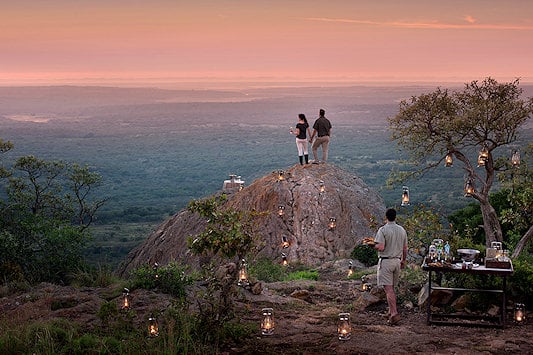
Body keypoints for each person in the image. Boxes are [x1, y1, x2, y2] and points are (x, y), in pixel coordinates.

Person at [373, 208, 408, 326]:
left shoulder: (383, 230)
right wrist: (403, 260)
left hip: (387, 261)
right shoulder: (402, 230)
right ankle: (390, 311)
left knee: (388, 289)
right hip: (397, 261)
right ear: (395, 217)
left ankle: (394, 313)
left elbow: (381, 247)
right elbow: (405, 248)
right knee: (392, 288)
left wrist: (373, 245)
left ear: (386, 217)